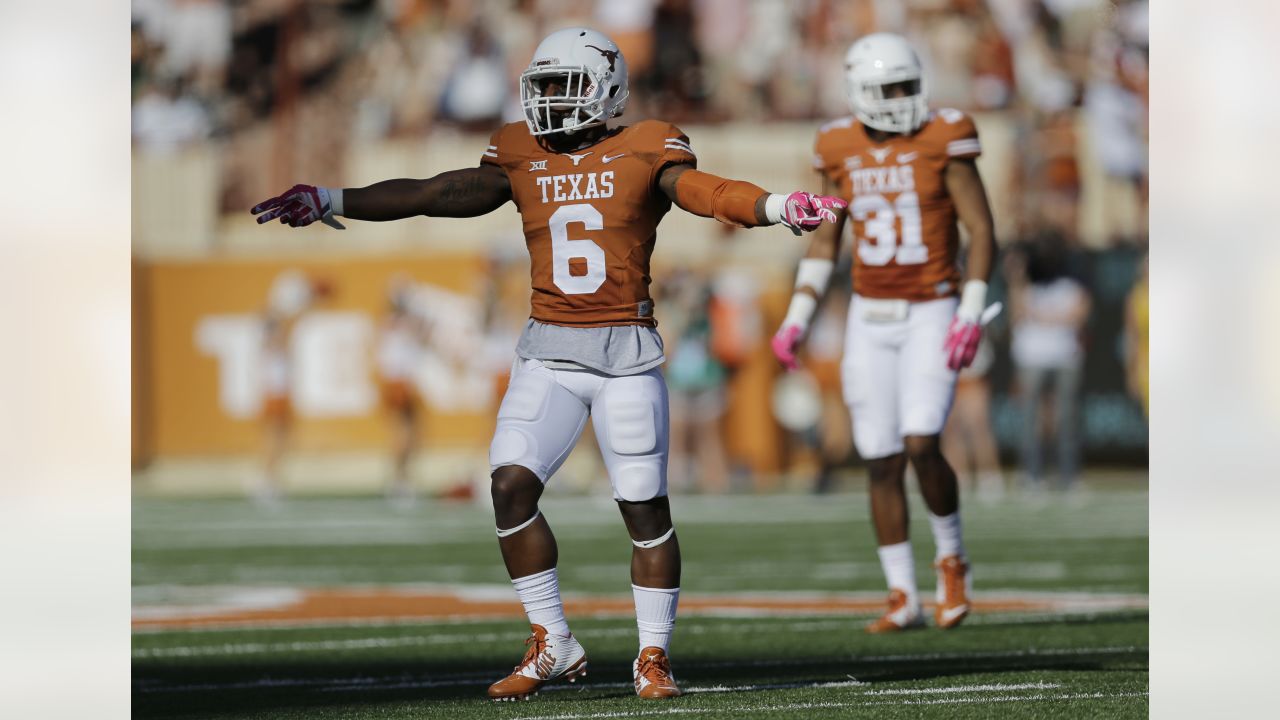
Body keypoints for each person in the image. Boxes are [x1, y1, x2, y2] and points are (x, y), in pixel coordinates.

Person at [251, 27, 844, 701]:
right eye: (543, 87)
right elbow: (439, 191)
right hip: (550, 351)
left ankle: (654, 654)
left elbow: (704, 192)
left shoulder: (647, 144)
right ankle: (553, 639)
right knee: (508, 486)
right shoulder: (518, 151)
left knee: (643, 508)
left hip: (625, 352)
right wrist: (334, 198)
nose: (551, 101)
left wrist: (775, 207)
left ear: (607, 87)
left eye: (565, 85)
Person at [771, 33, 998, 633]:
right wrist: (797, 318)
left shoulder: (944, 134)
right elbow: (826, 238)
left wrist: (971, 309)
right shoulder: (835, 143)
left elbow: (981, 228)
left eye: (906, 85)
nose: (900, 99)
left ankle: (951, 557)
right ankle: (903, 595)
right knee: (879, 460)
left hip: (932, 308)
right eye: (886, 89)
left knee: (922, 442)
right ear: (857, 92)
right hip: (870, 317)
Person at [1006, 234, 1092, 491]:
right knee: (1030, 419)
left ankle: (1068, 476)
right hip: (1031, 357)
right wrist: (1017, 276)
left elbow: (1079, 314)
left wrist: (1042, 316)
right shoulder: (1026, 287)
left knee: (1066, 418)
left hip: (1065, 356)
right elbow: (1017, 313)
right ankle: (1032, 475)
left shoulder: (1071, 286)